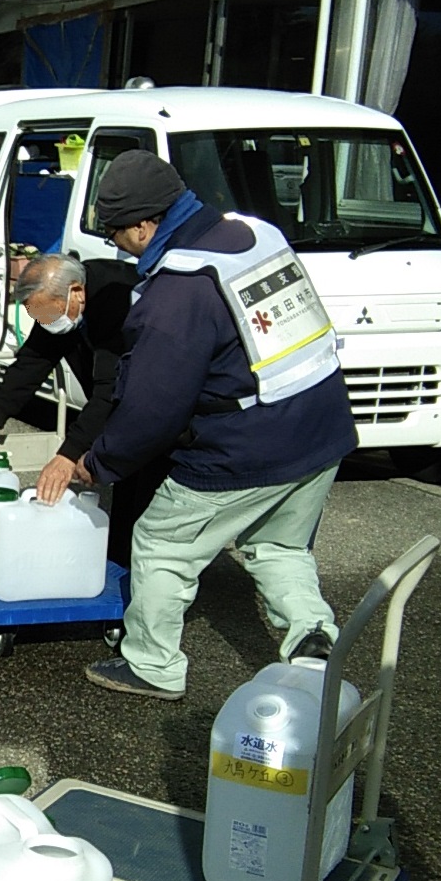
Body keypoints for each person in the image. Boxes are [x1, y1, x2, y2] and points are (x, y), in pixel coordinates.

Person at [76, 150, 354, 699]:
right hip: (322, 426)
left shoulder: (180, 288)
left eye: (114, 232)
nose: (115, 244)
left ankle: (152, 665)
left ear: (143, 224)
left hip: (247, 442)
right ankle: (313, 639)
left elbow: (154, 408)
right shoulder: (253, 233)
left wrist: (101, 462)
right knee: (277, 546)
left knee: (160, 541)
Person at [0, 253, 158, 565]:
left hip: (157, 407)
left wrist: (68, 453)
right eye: (40, 320)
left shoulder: (118, 299)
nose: (49, 325)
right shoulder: (56, 305)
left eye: (50, 316)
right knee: (126, 497)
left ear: (77, 292)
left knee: (146, 501)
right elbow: (32, 362)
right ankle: (120, 569)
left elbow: (110, 391)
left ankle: (140, 581)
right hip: (123, 409)